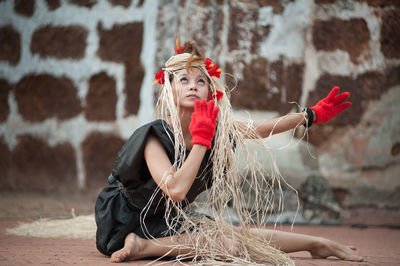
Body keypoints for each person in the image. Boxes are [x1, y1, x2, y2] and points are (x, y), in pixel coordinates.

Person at [95, 40, 362, 264]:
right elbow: (176, 190)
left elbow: (261, 129)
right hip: (124, 220)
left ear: (211, 92)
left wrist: (309, 115)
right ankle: (142, 247)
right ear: (169, 88)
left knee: (235, 237)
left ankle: (316, 243)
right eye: (184, 80)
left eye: (201, 81)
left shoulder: (217, 128)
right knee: (226, 245)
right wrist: (201, 140)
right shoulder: (154, 135)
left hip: (166, 221)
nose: (192, 85)